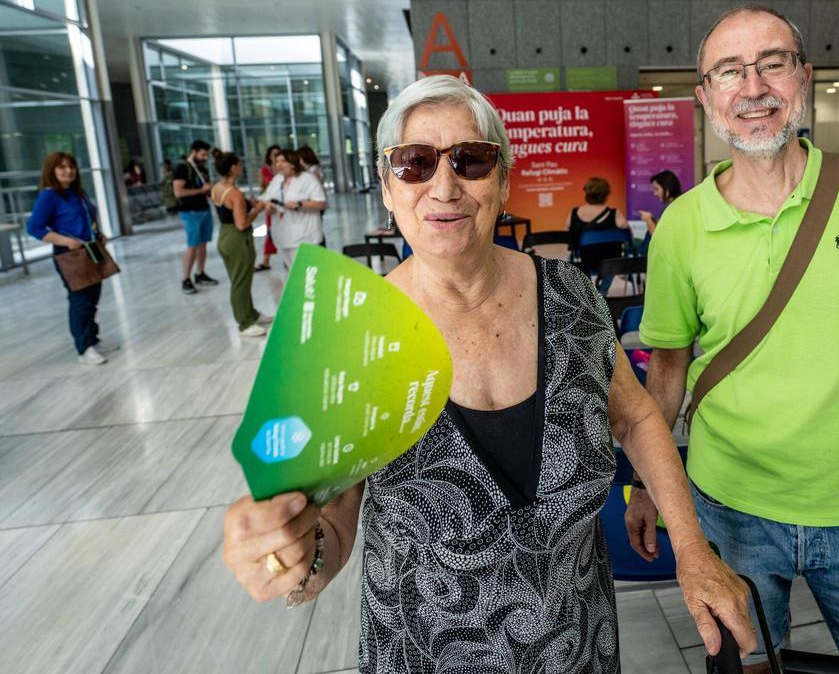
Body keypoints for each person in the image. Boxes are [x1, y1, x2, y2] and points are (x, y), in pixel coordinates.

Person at [222, 75, 755, 673]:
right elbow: (335, 525)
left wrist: (691, 550)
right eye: (415, 163)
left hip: (578, 644)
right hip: (424, 653)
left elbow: (633, 415)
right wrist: (294, 560)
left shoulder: (568, 293)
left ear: (503, 181)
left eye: (472, 160)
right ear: (387, 187)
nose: (444, 186)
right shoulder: (352, 338)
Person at [625, 5, 839, 674]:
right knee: (750, 669)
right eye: (729, 71)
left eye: (772, 63)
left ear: (804, 77)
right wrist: (646, 486)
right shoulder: (680, 229)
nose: (751, 88)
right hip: (729, 512)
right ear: (705, 97)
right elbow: (666, 371)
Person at [26, 152, 118, 365]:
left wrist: (99, 234)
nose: (68, 171)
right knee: (80, 301)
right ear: (52, 171)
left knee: (93, 298)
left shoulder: (78, 193)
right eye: (62, 167)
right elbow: (34, 228)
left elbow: (87, 218)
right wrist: (65, 241)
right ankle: (84, 348)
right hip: (70, 254)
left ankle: (93, 340)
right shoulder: (49, 196)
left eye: (71, 166)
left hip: (90, 249)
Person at [210, 151, 271, 337]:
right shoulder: (234, 193)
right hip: (238, 238)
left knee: (240, 279)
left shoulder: (217, 188)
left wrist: (248, 203)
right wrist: (258, 209)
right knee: (240, 282)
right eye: (240, 165)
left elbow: (228, 211)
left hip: (225, 236)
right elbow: (242, 223)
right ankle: (244, 323)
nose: (242, 168)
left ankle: (250, 313)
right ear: (233, 168)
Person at [260, 148, 326, 269]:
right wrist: (268, 206)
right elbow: (266, 198)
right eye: (277, 161)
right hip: (282, 234)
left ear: (293, 163)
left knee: (305, 273)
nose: (278, 164)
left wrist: (300, 204)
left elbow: (321, 203)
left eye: (283, 161)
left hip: (305, 235)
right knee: (292, 271)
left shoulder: (307, 179)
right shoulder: (277, 179)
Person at [173, 139, 220, 295]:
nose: (205, 157)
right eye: (202, 154)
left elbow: (205, 189)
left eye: (206, 155)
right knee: (192, 245)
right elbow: (178, 192)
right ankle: (185, 279)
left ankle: (200, 273)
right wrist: (201, 191)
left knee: (203, 244)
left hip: (204, 210)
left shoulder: (202, 169)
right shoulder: (181, 168)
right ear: (193, 152)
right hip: (190, 212)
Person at [256, 145, 281, 272]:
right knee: (270, 231)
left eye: (278, 154)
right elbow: (262, 187)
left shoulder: (283, 169)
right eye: (273, 154)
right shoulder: (264, 170)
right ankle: (266, 261)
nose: (276, 157)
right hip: (270, 205)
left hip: (283, 204)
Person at [636, 169, 682, 235]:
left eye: (657, 189)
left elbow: (657, 237)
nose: (655, 193)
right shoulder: (679, 203)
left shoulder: (671, 208)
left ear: (667, 189)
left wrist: (648, 219)